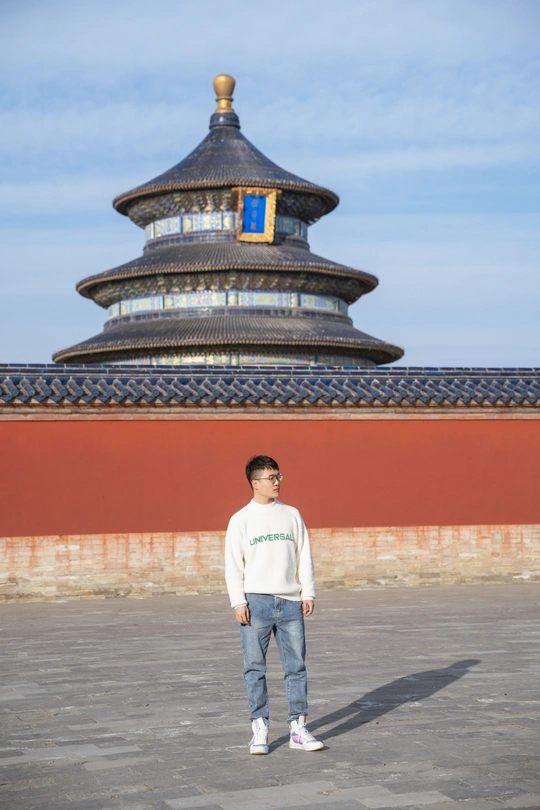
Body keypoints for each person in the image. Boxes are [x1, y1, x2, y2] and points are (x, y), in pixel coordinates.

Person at [225, 454, 324, 755]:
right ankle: (260, 729)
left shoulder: (292, 514)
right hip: (255, 602)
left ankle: (298, 727)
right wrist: (238, 602)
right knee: (254, 668)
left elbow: (304, 554)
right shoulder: (240, 519)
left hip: (290, 602)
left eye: (279, 476)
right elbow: (233, 565)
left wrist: (308, 593)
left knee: (296, 667)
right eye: (271, 477)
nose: (277, 482)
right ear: (255, 483)